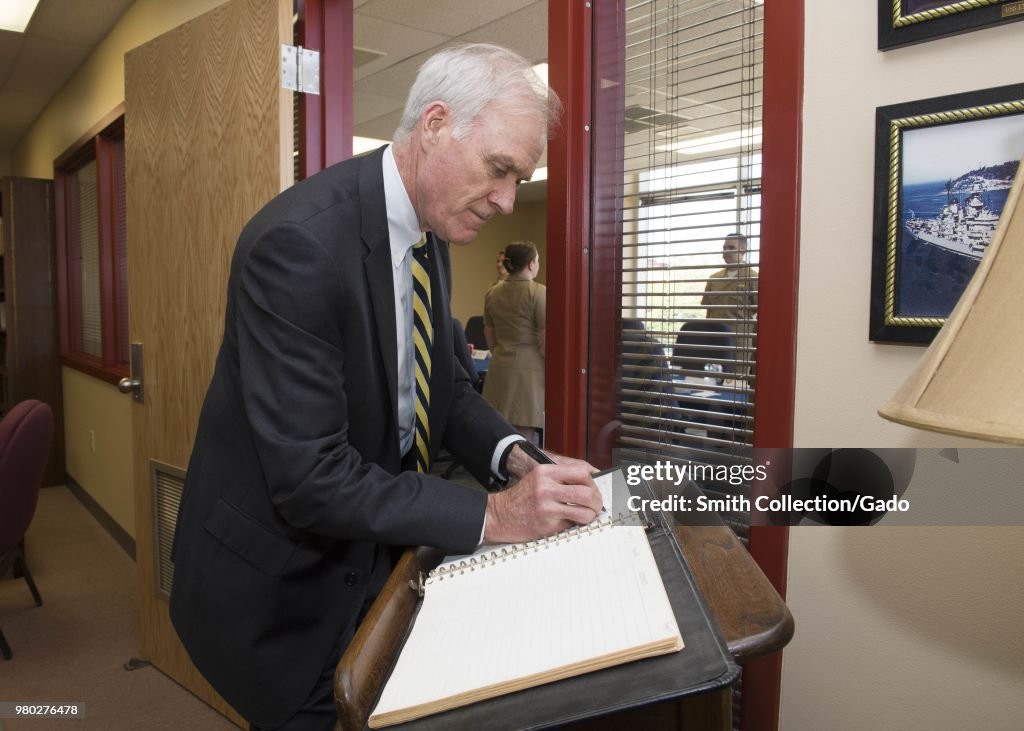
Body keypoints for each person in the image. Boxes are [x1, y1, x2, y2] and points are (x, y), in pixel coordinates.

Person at [168, 44, 601, 731]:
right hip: (276, 594)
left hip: (370, 560)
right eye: (500, 169)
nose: (508, 199)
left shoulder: (430, 232)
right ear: (434, 126)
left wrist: (518, 458)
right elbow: (311, 476)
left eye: (519, 178)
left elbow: (449, 390)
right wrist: (496, 517)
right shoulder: (299, 246)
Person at [482, 242, 546, 444]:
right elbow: (546, 337)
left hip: (499, 367)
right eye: (537, 260)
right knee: (524, 441)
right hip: (529, 371)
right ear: (530, 264)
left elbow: (489, 334)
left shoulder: (492, 292)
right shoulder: (538, 292)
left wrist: (502, 351)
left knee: (502, 439)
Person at [700, 232, 758, 376]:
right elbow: (709, 311)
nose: (726, 251)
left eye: (731, 247)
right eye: (724, 248)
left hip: (739, 344)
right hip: (714, 341)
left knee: (736, 385)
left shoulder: (753, 278)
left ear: (743, 250)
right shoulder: (714, 279)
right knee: (713, 383)